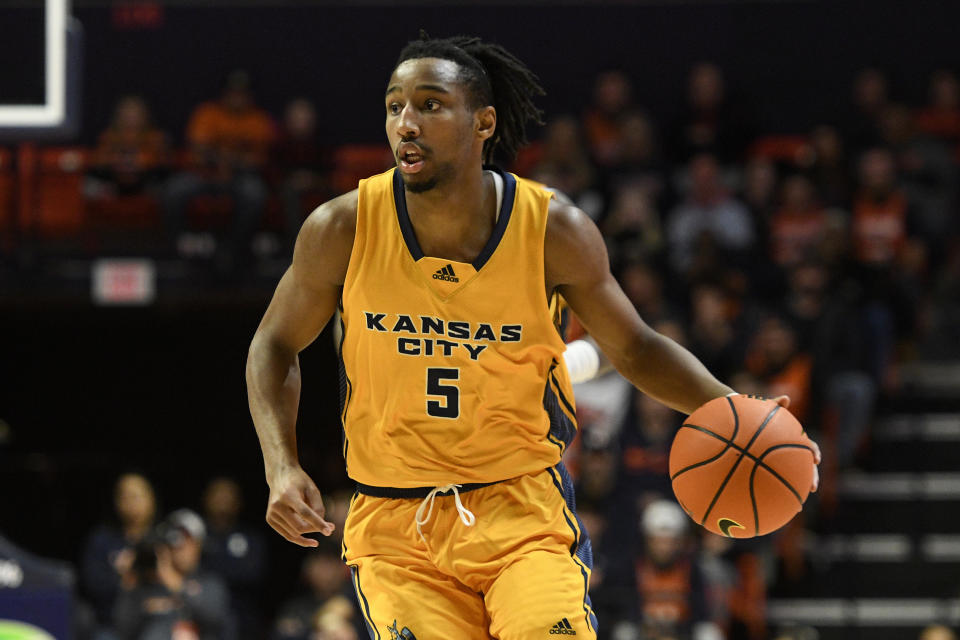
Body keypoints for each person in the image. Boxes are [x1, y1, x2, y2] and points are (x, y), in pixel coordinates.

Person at [246, 34, 820, 639]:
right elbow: (273, 345)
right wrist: (280, 466)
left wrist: (734, 407)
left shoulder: (552, 229)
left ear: (483, 122)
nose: (406, 123)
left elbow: (635, 346)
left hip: (520, 513)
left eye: (431, 104)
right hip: (396, 528)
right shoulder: (342, 227)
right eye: (395, 106)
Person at [163, 70, 274, 268]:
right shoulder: (208, 114)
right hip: (206, 174)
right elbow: (199, 150)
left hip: (238, 178)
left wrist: (229, 160)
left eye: (242, 93)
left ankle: (235, 248)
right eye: (233, 93)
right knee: (175, 190)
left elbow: (258, 161)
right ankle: (181, 245)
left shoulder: (258, 120)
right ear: (224, 94)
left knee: (255, 194)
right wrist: (227, 159)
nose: (237, 98)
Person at [113, 509, 233, 640]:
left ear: (199, 545)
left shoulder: (211, 583)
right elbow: (123, 629)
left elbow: (214, 617)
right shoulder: (149, 583)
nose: (179, 547)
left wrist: (173, 580)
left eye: (186, 539)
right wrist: (128, 582)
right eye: (174, 540)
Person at [80, 472, 158, 630]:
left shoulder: (164, 538)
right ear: (117, 502)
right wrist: (121, 576)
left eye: (136, 496)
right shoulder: (102, 539)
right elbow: (91, 585)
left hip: (156, 621)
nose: (131, 503)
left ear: (151, 499)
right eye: (125, 496)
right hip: (111, 623)